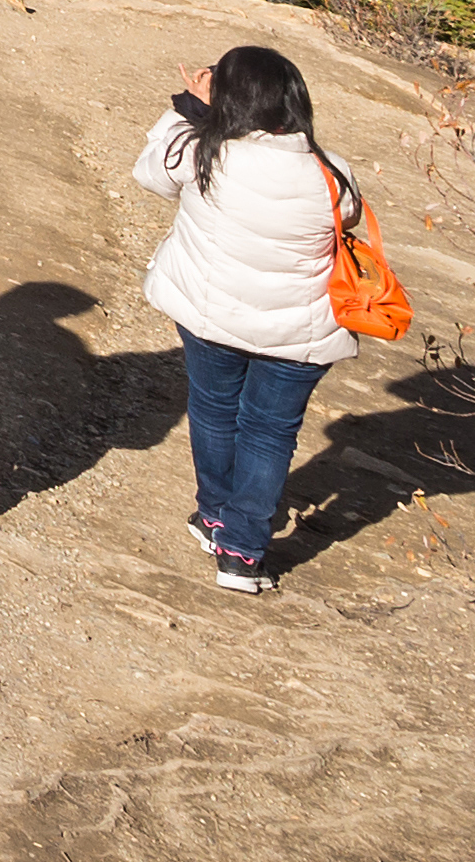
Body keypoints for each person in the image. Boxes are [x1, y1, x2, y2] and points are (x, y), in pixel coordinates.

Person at [136, 44, 356, 593]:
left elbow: (150, 172)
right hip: (299, 331)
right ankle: (242, 552)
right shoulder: (332, 173)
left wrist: (193, 104)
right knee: (270, 433)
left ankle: (215, 516)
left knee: (213, 411)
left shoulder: (204, 154)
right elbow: (347, 220)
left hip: (212, 316)